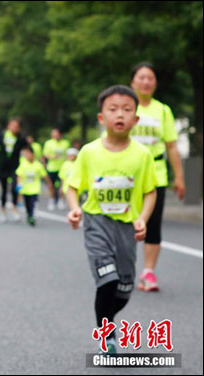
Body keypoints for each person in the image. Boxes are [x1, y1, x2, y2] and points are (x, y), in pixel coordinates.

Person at [66, 85, 157, 355]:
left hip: (127, 227)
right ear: (101, 118)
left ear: (136, 119)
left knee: (124, 288)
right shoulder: (89, 152)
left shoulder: (142, 155)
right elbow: (73, 187)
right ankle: (107, 335)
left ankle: (106, 315)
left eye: (127, 110)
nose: (120, 115)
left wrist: (142, 219)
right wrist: (74, 209)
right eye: (113, 109)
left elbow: (150, 192)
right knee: (107, 280)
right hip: (97, 223)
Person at [130, 62, 185, 292]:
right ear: (132, 82)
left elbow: (171, 146)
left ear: (155, 83)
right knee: (123, 222)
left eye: (150, 78)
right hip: (127, 174)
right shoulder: (126, 107)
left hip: (156, 175)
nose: (145, 82)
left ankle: (148, 272)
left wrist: (179, 177)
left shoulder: (163, 111)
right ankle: (119, 268)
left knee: (153, 225)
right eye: (141, 77)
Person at [0, 118, 28, 222]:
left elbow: (27, 149)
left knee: (14, 188)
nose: (14, 128)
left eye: (16, 127)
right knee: (3, 189)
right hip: (3, 166)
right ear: (8, 126)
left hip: (15, 167)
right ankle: (3, 211)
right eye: (12, 126)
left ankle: (14, 209)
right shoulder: (2, 135)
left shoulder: (21, 138)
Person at [16, 145, 52, 226]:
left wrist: (49, 183)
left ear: (32, 154)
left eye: (28, 154)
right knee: (28, 204)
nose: (27, 156)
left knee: (33, 203)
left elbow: (45, 175)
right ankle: (29, 215)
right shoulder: (23, 164)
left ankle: (32, 216)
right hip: (25, 189)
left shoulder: (38, 165)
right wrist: (19, 184)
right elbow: (19, 174)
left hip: (35, 188)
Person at [44, 128, 70, 211]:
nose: (55, 136)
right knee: (51, 185)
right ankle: (51, 200)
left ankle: (60, 200)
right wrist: (52, 157)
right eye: (53, 134)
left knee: (61, 186)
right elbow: (45, 154)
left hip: (62, 168)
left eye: (56, 134)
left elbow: (68, 155)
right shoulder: (48, 143)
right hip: (51, 168)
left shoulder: (65, 143)